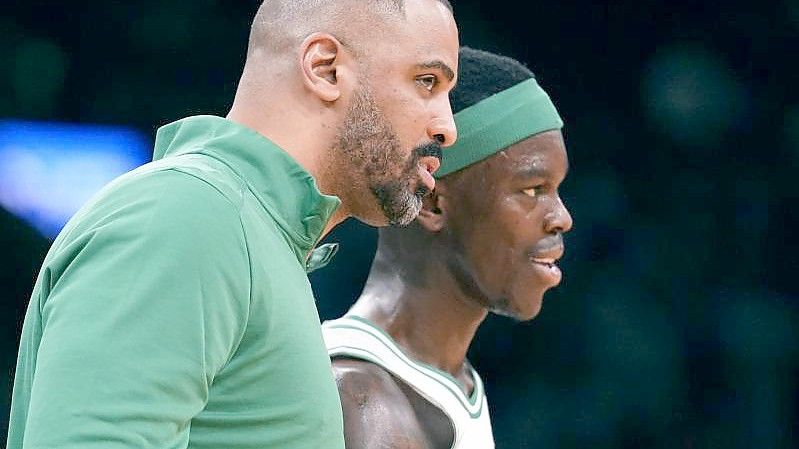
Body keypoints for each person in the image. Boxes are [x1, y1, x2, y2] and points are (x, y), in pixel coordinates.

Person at [7, 0, 458, 448]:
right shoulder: (190, 214)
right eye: (427, 82)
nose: (448, 127)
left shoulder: (244, 231)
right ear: (325, 69)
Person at [323, 46, 573, 448]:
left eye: (556, 190)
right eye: (532, 189)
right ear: (433, 202)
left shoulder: (442, 381)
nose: (562, 217)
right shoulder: (368, 403)